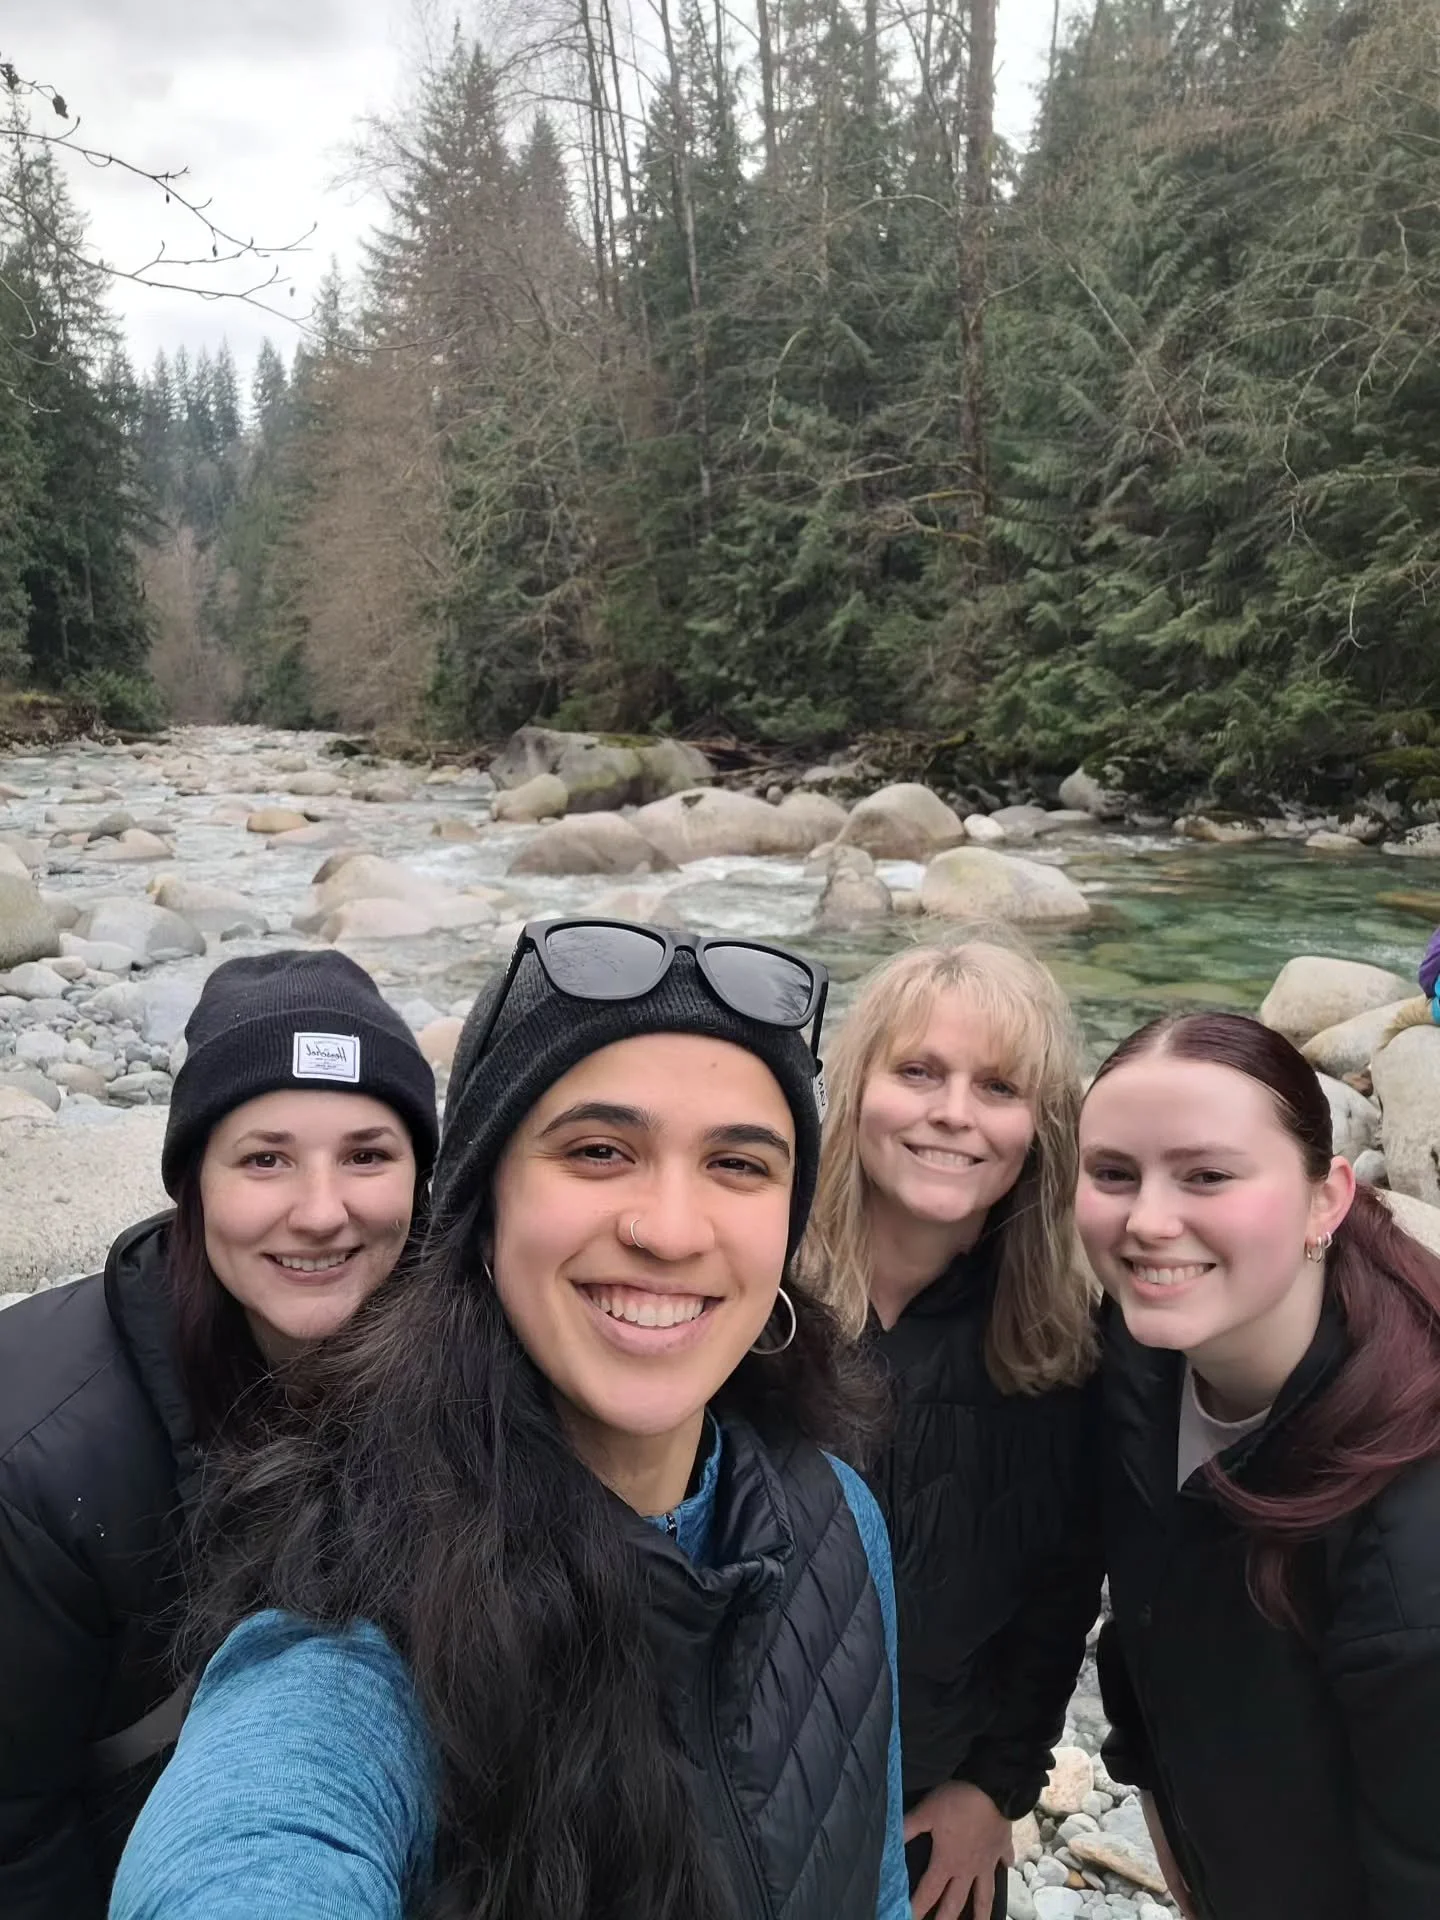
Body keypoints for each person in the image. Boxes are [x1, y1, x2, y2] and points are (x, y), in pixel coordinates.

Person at [110, 916, 910, 1920]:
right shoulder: (355, 1610)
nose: (670, 1230)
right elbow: (256, 1844)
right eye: (599, 1150)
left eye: (739, 1164)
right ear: (482, 1215)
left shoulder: (835, 1515)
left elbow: (877, 1890)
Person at [0, 950, 438, 1920]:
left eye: (368, 1155)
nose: (321, 1212)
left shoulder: (474, 1370)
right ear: (193, 1185)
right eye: (265, 1159)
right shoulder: (34, 1455)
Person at [1078, 1010, 1440, 1920]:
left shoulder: (1411, 1537)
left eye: (1207, 1175)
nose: (1147, 1221)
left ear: (1328, 1199)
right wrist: (1157, 1798)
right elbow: (1150, 1606)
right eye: (1113, 1173)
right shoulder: (1140, 1356)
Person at [801, 938, 1102, 1920]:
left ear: (1039, 1128)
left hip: (936, 1812)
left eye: (998, 1087)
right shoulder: (757, 1302)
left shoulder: (1059, 1339)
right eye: (919, 1072)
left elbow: (1063, 1585)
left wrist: (995, 1787)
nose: (954, 1113)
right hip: (730, 1803)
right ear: (855, 1089)